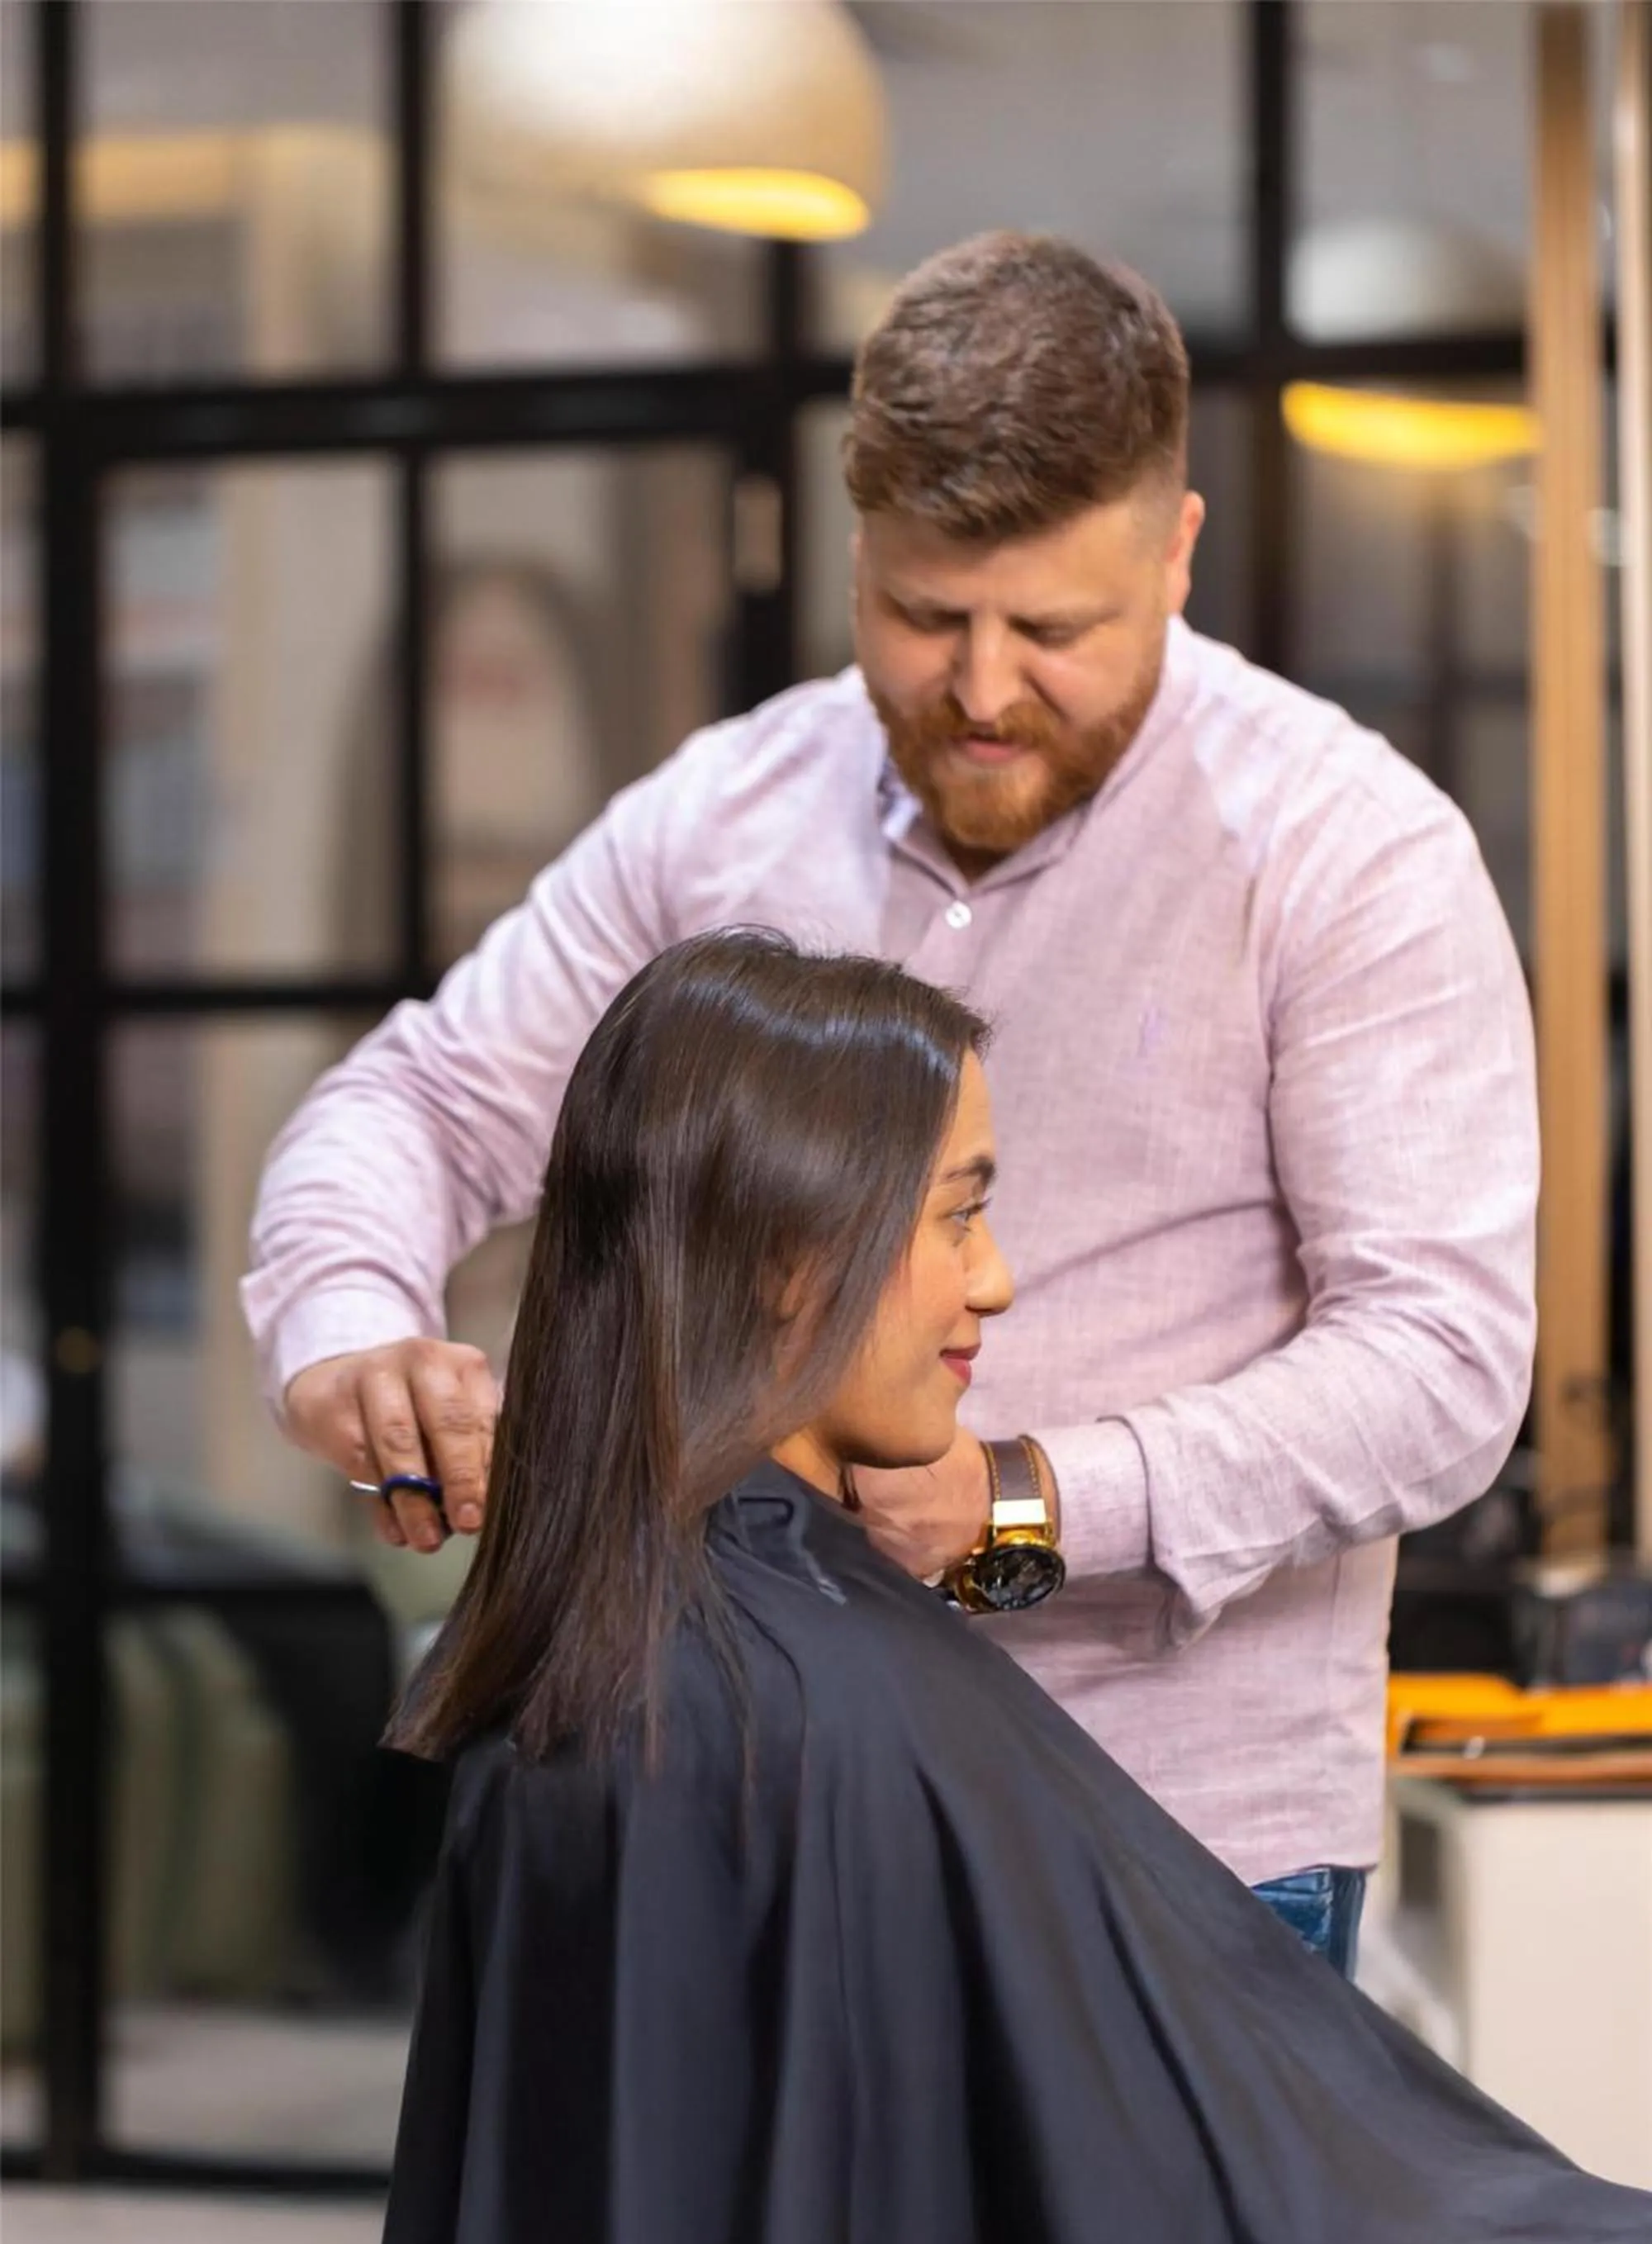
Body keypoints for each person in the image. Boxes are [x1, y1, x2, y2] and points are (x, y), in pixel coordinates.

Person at [246, 231, 1539, 1962]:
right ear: (854, 549)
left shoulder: (1346, 854)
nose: (985, 690)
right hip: (748, 1796)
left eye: (1052, 629)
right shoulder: (722, 816)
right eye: (926, 617)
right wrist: (349, 1326)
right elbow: (420, 1101)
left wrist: (1024, 1510)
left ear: (1175, 552)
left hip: (1176, 1836)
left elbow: (1442, 1363)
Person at [354, 932, 1648, 2244]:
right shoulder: (787, 1709)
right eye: (960, 1210)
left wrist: (1026, 1515)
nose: (1000, 1278)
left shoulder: (632, 1661)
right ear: (785, 1250)